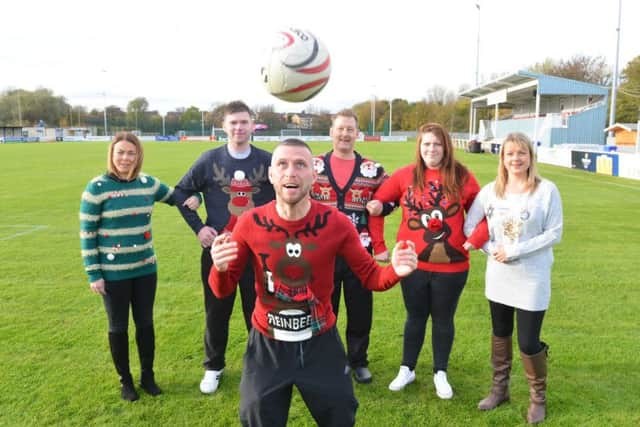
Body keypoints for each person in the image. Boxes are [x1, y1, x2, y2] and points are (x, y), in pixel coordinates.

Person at [209, 139, 418, 427]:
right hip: (267, 345)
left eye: (300, 164)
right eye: (282, 164)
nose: (290, 172)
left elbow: (372, 276)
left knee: (341, 414)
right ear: (271, 174)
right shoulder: (249, 223)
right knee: (256, 415)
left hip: (321, 343)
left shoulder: (336, 223)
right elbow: (222, 289)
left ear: (313, 175)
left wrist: (395, 268)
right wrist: (219, 268)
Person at [367, 123, 487, 399]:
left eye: (437, 144)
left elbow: (484, 214)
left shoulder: (462, 177)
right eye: (426, 144)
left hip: (453, 267)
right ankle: (407, 368)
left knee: (444, 319)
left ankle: (440, 372)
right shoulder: (404, 176)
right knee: (415, 317)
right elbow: (376, 206)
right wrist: (380, 246)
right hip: (412, 265)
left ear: (446, 146)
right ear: (419, 147)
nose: (431, 149)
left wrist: (475, 240)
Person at [80, 132, 200, 401]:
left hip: (146, 269)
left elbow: (177, 196)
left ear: (138, 156)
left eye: (130, 153)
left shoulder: (148, 184)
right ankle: (126, 381)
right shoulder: (96, 188)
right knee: (118, 327)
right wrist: (93, 273)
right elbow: (87, 233)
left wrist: (196, 199)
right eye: (120, 152)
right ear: (112, 154)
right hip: (113, 274)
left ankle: (148, 376)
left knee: (145, 324)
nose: (125, 158)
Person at [174, 100, 275, 394]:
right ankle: (214, 366)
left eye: (244, 122)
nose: (239, 128)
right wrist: (199, 227)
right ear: (224, 126)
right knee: (216, 310)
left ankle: (259, 367)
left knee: (256, 310)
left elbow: (286, 190)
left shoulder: (268, 161)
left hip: (257, 252)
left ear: (252, 124)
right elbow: (182, 191)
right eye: (233, 123)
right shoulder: (209, 160)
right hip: (219, 251)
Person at [463, 132, 562, 424]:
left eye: (521, 153)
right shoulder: (491, 191)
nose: (515, 159)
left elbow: (554, 233)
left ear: (530, 156)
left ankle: (538, 398)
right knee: (500, 333)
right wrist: (492, 250)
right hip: (499, 276)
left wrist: (516, 250)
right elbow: (470, 227)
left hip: (532, 276)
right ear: (502, 158)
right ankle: (499, 389)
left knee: (529, 341)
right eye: (509, 154)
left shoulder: (546, 190)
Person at [309, 109, 390, 384]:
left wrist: (383, 205)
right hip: (322, 253)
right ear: (331, 132)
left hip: (359, 253)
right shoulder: (313, 165)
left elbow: (394, 195)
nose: (345, 134)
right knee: (323, 309)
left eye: (350, 129)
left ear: (357, 134)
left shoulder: (373, 169)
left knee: (360, 311)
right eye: (340, 128)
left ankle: (358, 361)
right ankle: (326, 361)